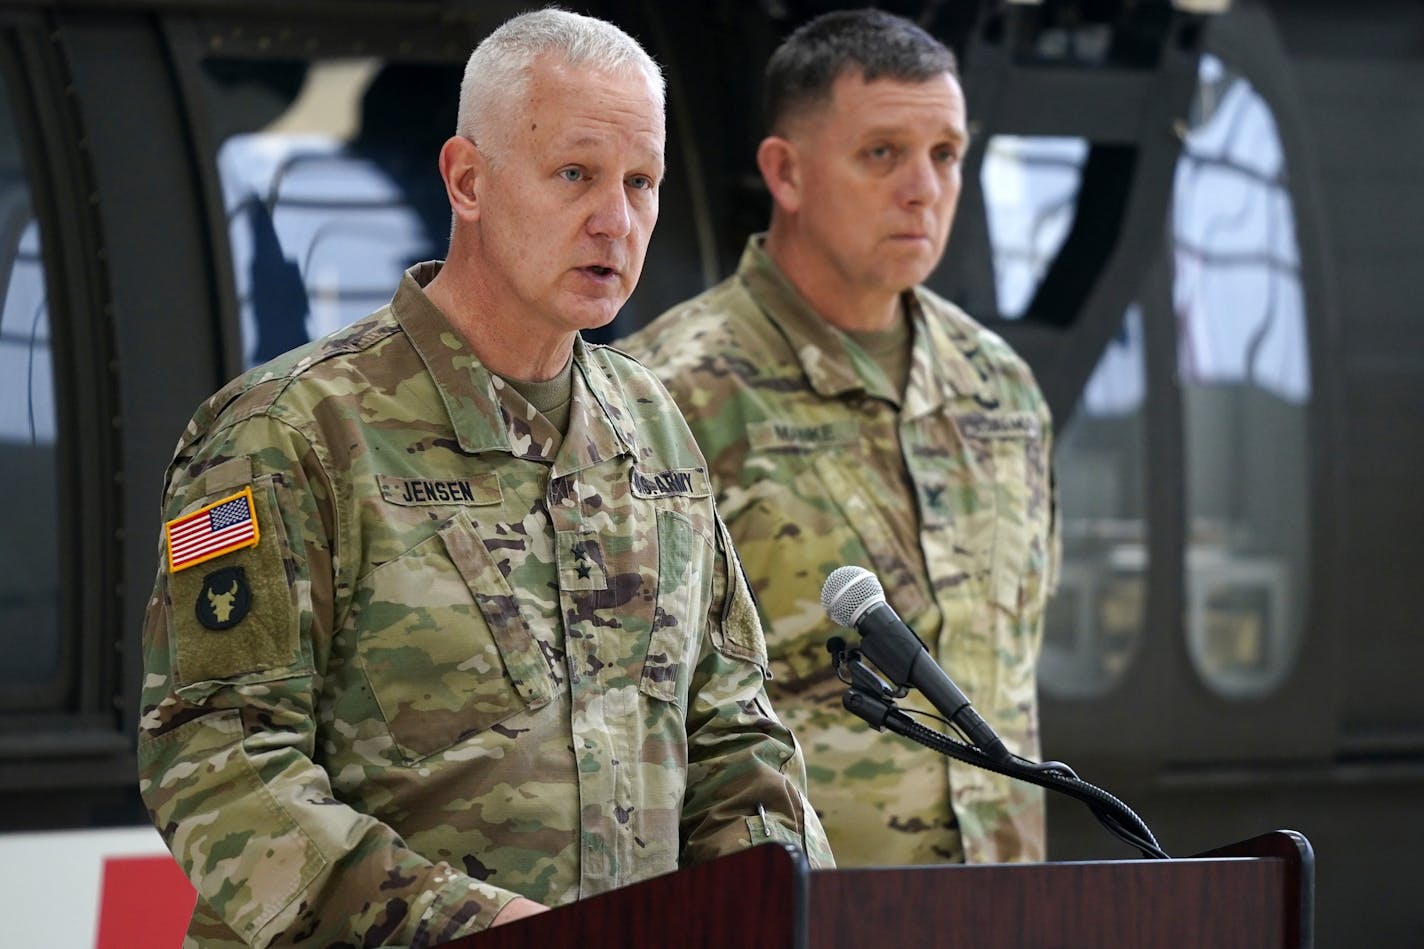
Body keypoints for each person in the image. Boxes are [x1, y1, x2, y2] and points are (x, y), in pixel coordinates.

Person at [137, 9, 831, 947]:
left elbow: (732, 730)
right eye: (576, 175)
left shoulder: (654, 428)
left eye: (642, 182)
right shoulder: (289, 431)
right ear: (467, 180)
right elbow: (218, 763)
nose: (615, 221)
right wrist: (476, 928)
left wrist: (782, 910)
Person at [618, 9, 1059, 867]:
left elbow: (1013, 665)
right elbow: (627, 719)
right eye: (883, 153)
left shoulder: (998, 385)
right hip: (794, 913)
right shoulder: (665, 395)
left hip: (1006, 906)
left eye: (946, 155)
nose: (924, 189)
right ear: (785, 171)